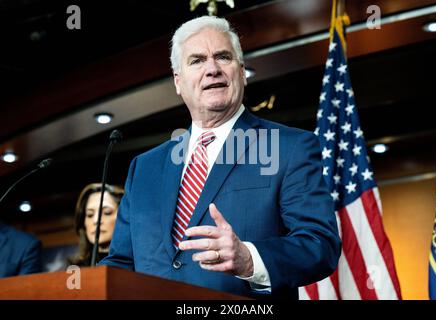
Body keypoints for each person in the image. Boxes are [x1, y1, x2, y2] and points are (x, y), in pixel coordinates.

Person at [100, 16, 341, 299]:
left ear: (241, 72)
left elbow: (319, 245)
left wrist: (249, 258)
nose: (212, 69)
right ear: (178, 82)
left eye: (223, 57)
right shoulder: (144, 168)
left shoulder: (289, 147)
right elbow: (120, 264)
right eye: (197, 60)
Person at [67, 183, 124, 267]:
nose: (96, 220)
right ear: (83, 223)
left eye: (107, 212)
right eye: (90, 215)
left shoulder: (136, 264)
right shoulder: (74, 269)